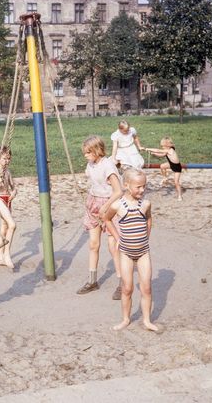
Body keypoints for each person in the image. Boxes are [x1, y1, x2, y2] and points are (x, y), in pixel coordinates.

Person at [104, 168, 159, 332]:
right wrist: (117, 238)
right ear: (127, 185)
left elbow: (149, 219)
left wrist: (145, 237)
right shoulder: (118, 205)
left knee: (146, 288)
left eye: (144, 186)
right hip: (126, 254)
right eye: (138, 187)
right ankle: (125, 319)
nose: (142, 190)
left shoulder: (146, 204)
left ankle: (147, 320)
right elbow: (106, 219)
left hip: (143, 252)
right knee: (127, 288)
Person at [78, 135, 123, 299]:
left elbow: (119, 191)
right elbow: (91, 177)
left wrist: (106, 206)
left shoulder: (108, 166)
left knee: (113, 246)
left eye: (88, 152)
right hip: (93, 203)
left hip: (109, 206)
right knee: (93, 244)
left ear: (97, 151)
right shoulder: (91, 164)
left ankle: (121, 282)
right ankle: (92, 281)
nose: (85, 155)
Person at [145, 137, 183, 201]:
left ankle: (179, 195)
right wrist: (154, 154)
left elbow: (158, 150)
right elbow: (161, 155)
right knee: (162, 166)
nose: (162, 147)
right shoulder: (167, 150)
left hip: (177, 168)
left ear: (167, 145)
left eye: (163, 146)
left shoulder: (170, 150)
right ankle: (165, 177)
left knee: (176, 182)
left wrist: (147, 149)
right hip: (171, 164)